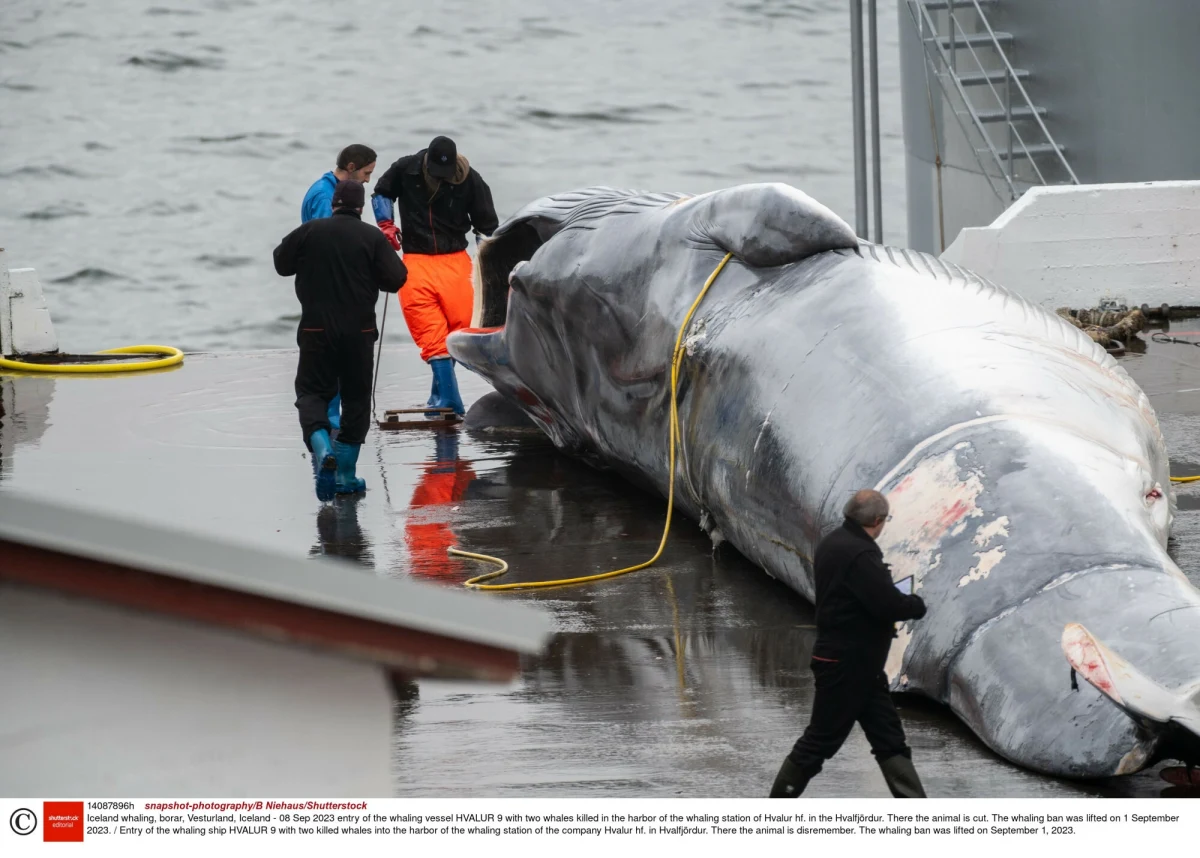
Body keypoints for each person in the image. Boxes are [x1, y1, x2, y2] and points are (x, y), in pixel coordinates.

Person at [769, 489, 929, 798]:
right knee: (819, 742)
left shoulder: (833, 542)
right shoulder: (860, 554)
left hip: (862, 667)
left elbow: (859, 597)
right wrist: (915, 604)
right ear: (878, 520)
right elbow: (886, 603)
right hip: (847, 666)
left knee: (889, 739)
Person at [273, 179, 407, 501]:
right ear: (360, 208)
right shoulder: (372, 237)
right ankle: (345, 476)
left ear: (333, 204)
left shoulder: (309, 231)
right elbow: (396, 279)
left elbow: (281, 263)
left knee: (311, 393)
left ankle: (322, 447)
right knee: (356, 400)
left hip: (316, 330)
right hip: (359, 333)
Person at [370, 135, 499, 418]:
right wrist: (386, 224)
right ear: (426, 160)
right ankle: (449, 401)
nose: (441, 177)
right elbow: (381, 193)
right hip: (416, 261)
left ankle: (440, 395)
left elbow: (487, 226)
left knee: (460, 327)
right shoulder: (406, 169)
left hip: (456, 261)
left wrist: (487, 266)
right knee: (429, 330)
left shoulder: (471, 179)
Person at [300, 144, 380, 434]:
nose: (368, 180)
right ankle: (331, 431)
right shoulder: (326, 197)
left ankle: (327, 433)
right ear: (351, 167)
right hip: (331, 296)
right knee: (332, 367)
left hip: (323, 294)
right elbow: (330, 246)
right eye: (366, 173)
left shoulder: (328, 189)